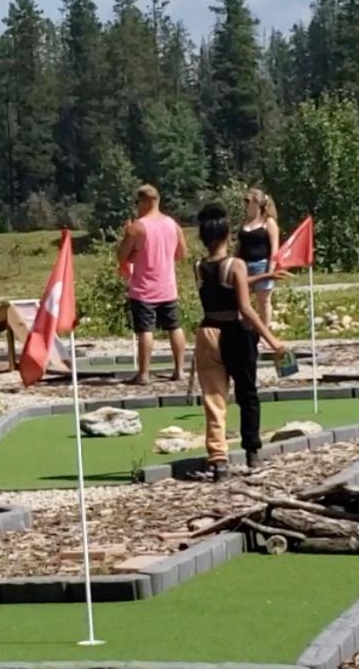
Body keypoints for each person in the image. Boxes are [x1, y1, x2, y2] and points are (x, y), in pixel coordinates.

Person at [193, 204, 286, 482]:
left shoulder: (198, 266)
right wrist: (272, 339)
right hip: (235, 332)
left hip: (207, 332)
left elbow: (233, 284)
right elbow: (245, 306)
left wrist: (265, 276)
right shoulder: (237, 264)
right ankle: (252, 453)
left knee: (213, 399)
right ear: (227, 236)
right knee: (247, 394)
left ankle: (219, 460)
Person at [115, 184, 188, 385]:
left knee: (145, 330)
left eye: (138, 202)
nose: (137, 207)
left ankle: (144, 374)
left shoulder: (137, 227)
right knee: (174, 327)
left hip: (144, 288)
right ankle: (179, 370)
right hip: (168, 286)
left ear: (146, 201)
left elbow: (121, 255)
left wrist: (134, 253)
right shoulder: (173, 224)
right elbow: (182, 253)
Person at [236, 188, 280, 327]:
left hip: (262, 264)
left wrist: (270, 270)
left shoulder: (268, 222)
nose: (246, 204)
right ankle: (246, 330)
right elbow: (239, 244)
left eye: (248, 201)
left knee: (264, 301)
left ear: (257, 203)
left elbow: (274, 247)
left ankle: (264, 331)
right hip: (243, 265)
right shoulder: (245, 222)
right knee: (242, 301)